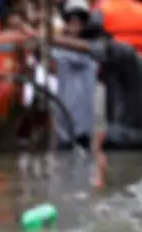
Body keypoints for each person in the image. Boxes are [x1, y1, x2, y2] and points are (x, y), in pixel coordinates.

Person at [15, 15, 142, 150]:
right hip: (124, 133)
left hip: (130, 134)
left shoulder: (124, 53)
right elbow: (55, 67)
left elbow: (90, 48)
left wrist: (45, 38)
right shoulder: (111, 63)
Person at [54, 0, 100, 150]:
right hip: (63, 128)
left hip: (83, 128)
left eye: (79, 20)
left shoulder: (91, 51)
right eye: (71, 19)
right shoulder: (59, 52)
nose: (75, 24)